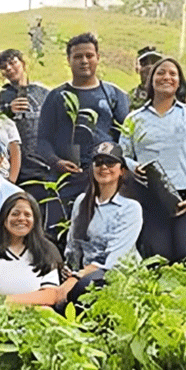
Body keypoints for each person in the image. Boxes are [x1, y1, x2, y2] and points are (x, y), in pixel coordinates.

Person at [37, 32, 130, 237]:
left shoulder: (115, 96)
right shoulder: (56, 97)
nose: (84, 61)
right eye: (78, 57)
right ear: (68, 60)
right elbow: (42, 140)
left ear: (98, 57)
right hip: (64, 181)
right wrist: (56, 162)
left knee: (104, 235)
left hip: (105, 180)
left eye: (89, 55)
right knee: (60, 235)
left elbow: (127, 138)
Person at [121, 57, 186, 263]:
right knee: (157, 257)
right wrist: (134, 167)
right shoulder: (134, 119)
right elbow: (124, 154)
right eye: (161, 73)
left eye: (173, 73)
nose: (166, 77)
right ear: (151, 80)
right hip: (149, 195)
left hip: (184, 197)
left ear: (179, 82)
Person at [0, 192, 79, 307]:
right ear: (4, 218)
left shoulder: (46, 251)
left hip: (35, 316)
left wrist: (6, 299)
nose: (21, 219)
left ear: (35, 220)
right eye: (15, 214)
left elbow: (50, 295)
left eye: (27, 215)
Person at [65, 142, 143, 291]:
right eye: (99, 162)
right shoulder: (82, 202)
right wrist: (69, 270)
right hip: (84, 273)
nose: (104, 167)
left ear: (122, 171)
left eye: (110, 162)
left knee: (78, 289)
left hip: (118, 276)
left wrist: (78, 276)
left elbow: (116, 258)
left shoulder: (130, 208)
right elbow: (73, 245)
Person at [0, 49, 50, 195]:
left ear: (23, 64)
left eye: (13, 63)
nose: (9, 68)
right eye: (4, 67)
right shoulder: (0, 96)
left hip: (42, 167)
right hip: (13, 168)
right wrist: (8, 110)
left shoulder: (43, 93)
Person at [128, 46, 162, 111]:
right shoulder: (128, 99)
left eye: (155, 63)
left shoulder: (170, 98)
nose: (150, 67)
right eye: (144, 63)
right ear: (137, 68)